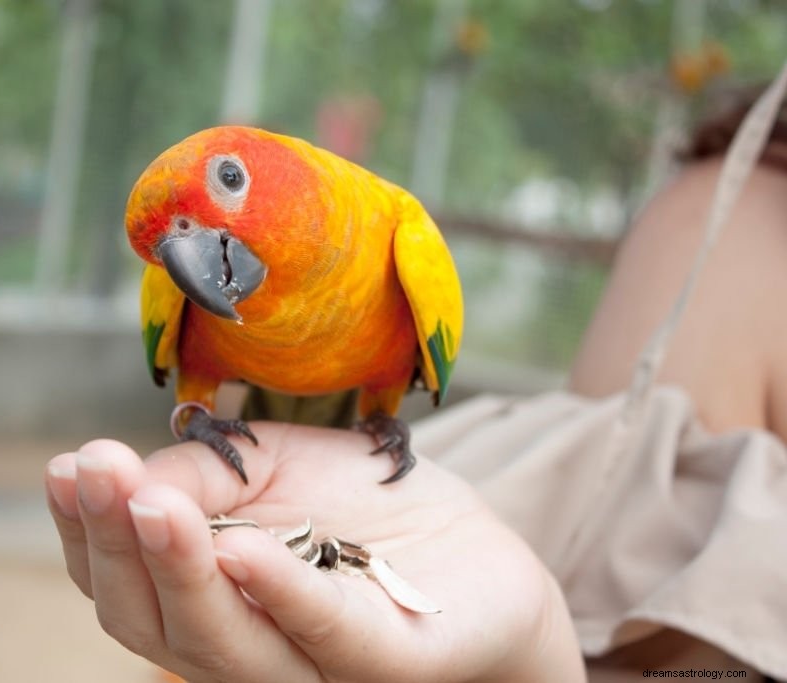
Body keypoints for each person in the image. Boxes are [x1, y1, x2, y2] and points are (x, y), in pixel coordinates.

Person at [44, 78, 787, 682]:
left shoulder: (404, 238)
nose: (186, 248)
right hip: (238, 399)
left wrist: (530, 634)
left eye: (228, 182)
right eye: (162, 248)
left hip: (365, 396)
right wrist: (196, 415)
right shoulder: (721, 216)